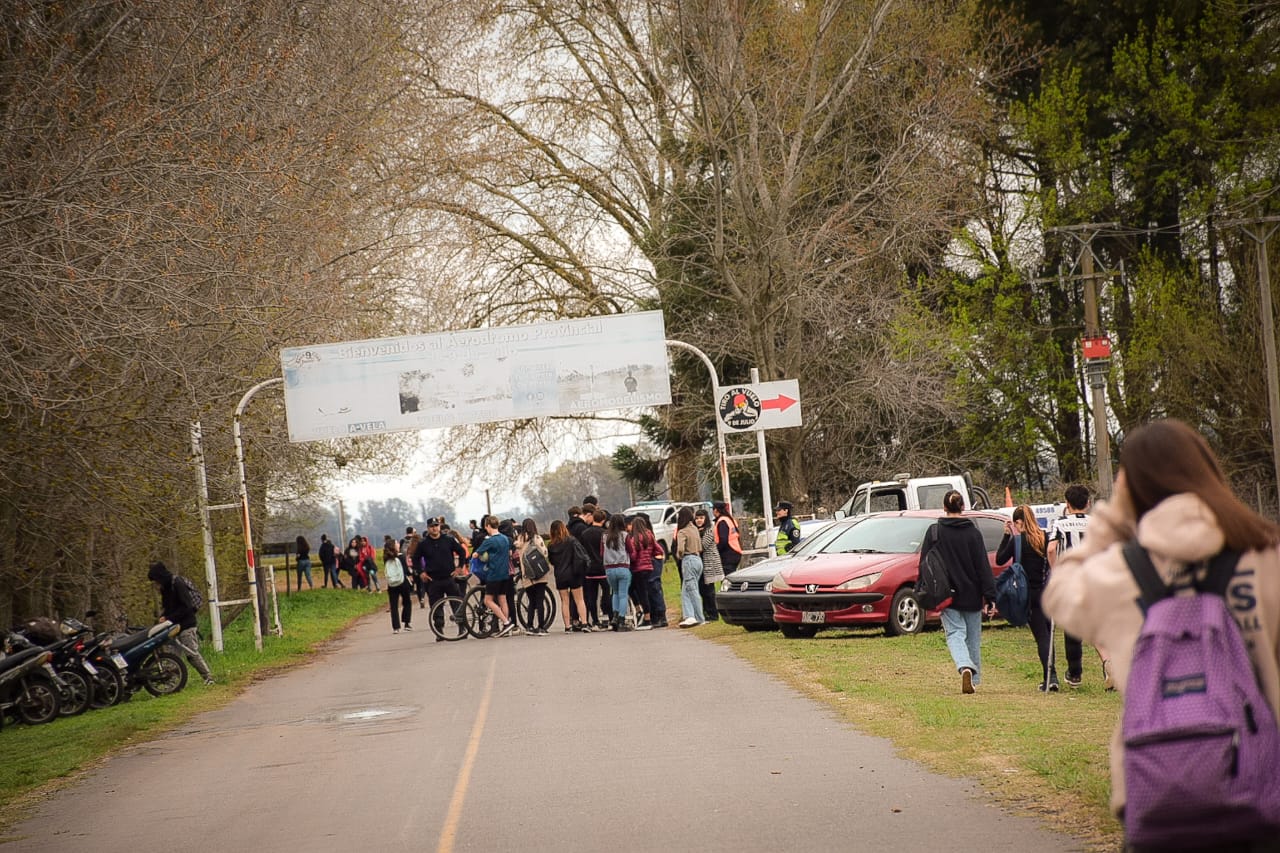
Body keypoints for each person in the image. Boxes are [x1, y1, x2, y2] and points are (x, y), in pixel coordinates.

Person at [1043, 419, 1280, 842]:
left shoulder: (1118, 573)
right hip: (1262, 789)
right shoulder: (1265, 554)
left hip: (1158, 794)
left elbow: (1058, 594)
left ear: (1131, 490)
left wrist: (1111, 519)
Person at [918, 490, 996, 694]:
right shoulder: (973, 533)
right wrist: (990, 595)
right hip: (972, 593)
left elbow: (925, 563)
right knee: (973, 638)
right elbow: (983, 566)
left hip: (946, 594)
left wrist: (923, 588)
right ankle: (975, 679)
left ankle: (964, 666)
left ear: (944, 508)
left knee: (955, 633)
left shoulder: (935, 532)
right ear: (963, 507)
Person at [1046, 485, 1110, 689]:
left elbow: (1051, 548)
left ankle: (1075, 673)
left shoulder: (1060, 524)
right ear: (1088, 503)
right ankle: (1109, 663)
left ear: (1067, 504)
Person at [998, 504, 1056, 691]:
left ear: (1019, 522)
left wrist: (1006, 535)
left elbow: (1000, 559)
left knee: (1042, 637)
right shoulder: (1044, 538)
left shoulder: (1017, 541)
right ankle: (1051, 675)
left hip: (1027, 595)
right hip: (1046, 591)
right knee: (1048, 634)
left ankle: (1050, 677)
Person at [147, 561, 214, 685]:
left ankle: (208, 677)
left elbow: (186, 607)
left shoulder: (177, 584)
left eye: (156, 581)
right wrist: (164, 617)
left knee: (191, 654)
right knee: (173, 656)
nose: (156, 584)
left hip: (186, 625)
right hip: (173, 626)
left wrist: (169, 618)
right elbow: (168, 607)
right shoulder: (165, 589)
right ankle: (171, 682)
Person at [415, 517, 467, 640]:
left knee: (456, 603)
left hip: (449, 577)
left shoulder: (448, 540)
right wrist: (421, 572)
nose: (435, 528)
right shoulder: (423, 543)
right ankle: (439, 630)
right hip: (433, 579)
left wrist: (459, 567)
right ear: (428, 528)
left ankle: (462, 628)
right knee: (436, 606)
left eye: (436, 525)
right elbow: (415, 558)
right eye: (432, 526)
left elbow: (462, 552)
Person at [474, 515, 516, 636]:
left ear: (487, 526)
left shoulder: (489, 541)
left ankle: (506, 622)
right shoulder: (505, 539)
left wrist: (478, 556)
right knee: (503, 599)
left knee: (488, 601)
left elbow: (476, 554)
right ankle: (506, 628)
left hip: (494, 574)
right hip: (505, 573)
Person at [548, 519, 591, 633]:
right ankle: (584, 623)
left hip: (560, 575)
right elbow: (581, 555)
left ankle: (567, 626)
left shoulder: (551, 545)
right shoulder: (572, 541)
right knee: (579, 600)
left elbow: (552, 561)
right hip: (574, 574)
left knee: (565, 601)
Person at [516, 518, 552, 636]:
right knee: (540, 601)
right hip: (539, 574)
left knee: (531, 602)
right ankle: (541, 627)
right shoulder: (536, 538)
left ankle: (529, 626)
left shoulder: (519, 540)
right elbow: (544, 552)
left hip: (527, 575)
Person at [626, 514, 660, 629]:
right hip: (648, 567)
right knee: (644, 591)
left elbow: (634, 556)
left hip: (638, 568)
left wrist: (628, 557)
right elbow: (658, 549)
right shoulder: (649, 535)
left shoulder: (634, 538)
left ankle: (645, 616)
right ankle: (646, 615)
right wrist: (650, 555)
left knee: (637, 591)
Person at [578, 507, 609, 629]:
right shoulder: (604, 534)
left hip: (589, 568)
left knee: (591, 595)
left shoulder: (584, 534)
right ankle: (608, 614)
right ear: (603, 520)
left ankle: (595, 619)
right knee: (607, 592)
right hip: (603, 567)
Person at [675, 506, 705, 627]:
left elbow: (681, 549)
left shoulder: (682, 532)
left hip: (689, 560)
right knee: (688, 589)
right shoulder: (695, 529)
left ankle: (695, 617)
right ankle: (691, 615)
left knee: (690, 590)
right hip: (698, 559)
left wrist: (679, 555)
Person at [602, 514, 632, 631]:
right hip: (623, 567)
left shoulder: (604, 536)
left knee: (615, 592)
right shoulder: (625, 535)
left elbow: (601, 552)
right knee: (623, 594)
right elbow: (630, 549)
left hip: (609, 568)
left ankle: (614, 617)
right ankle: (621, 619)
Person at [695, 507, 723, 620]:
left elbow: (703, 546)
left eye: (701, 518)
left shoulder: (709, 529)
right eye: (696, 518)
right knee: (702, 589)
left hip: (710, 563)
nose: (699, 520)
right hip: (701, 563)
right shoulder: (697, 530)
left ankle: (713, 614)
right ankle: (706, 612)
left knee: (709, 590)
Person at [383, 537, 412, 633]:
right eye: (397, 543)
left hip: (392, 584)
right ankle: (407, 623)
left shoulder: (386, 558)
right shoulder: (401, 557)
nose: (399, 544)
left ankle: (396, 627)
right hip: (403, 582)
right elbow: (406, 571)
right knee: (407, 602)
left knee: (394, 605)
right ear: (394, 546)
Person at [713, 501, 742, 576]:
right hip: (735, 551)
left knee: (727, 579)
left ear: (715, 510)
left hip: (728, 554)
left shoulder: (722, 521)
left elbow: (723, 540)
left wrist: (716, 550)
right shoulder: (730, 519)